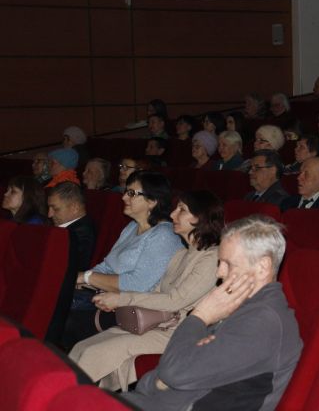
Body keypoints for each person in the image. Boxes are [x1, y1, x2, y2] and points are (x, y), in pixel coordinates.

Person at [123, 216, 302, 411]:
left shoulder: (263, 322)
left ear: (262, 267)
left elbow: (174, 371)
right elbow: (167, 372)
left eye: (228, 263)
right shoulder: (240, 306)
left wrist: (199, 316)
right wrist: (160, 380)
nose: (219, 273)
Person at [69, 190, 223, 391]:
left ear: (201, 217)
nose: (173, 214)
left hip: (179, 333)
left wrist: (121, 299)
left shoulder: (211, 257)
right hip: (157, 324)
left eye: (182, 210)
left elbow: (175, 300)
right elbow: (157, 292)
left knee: (94, 354)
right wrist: (117, 300)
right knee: (82, 347)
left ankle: (68, 398)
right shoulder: (182, 254)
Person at [62, 171, 182, 348]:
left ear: (152, 201)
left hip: (130, 309)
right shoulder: (131, 227)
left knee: (64, 318)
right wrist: (81, 280)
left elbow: (138, 285)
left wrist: (87, 277)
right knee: (55, 299)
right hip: (106, 299)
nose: (124, 197)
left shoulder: (163, 235)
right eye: (126, 191)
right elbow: (107, 266)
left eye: (132, 193)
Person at [45, 182, 96, 345]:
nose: (49, 214)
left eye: (55, 209)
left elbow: (70, 269)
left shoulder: (81, 233)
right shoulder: (65, 230)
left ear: (74, 208)